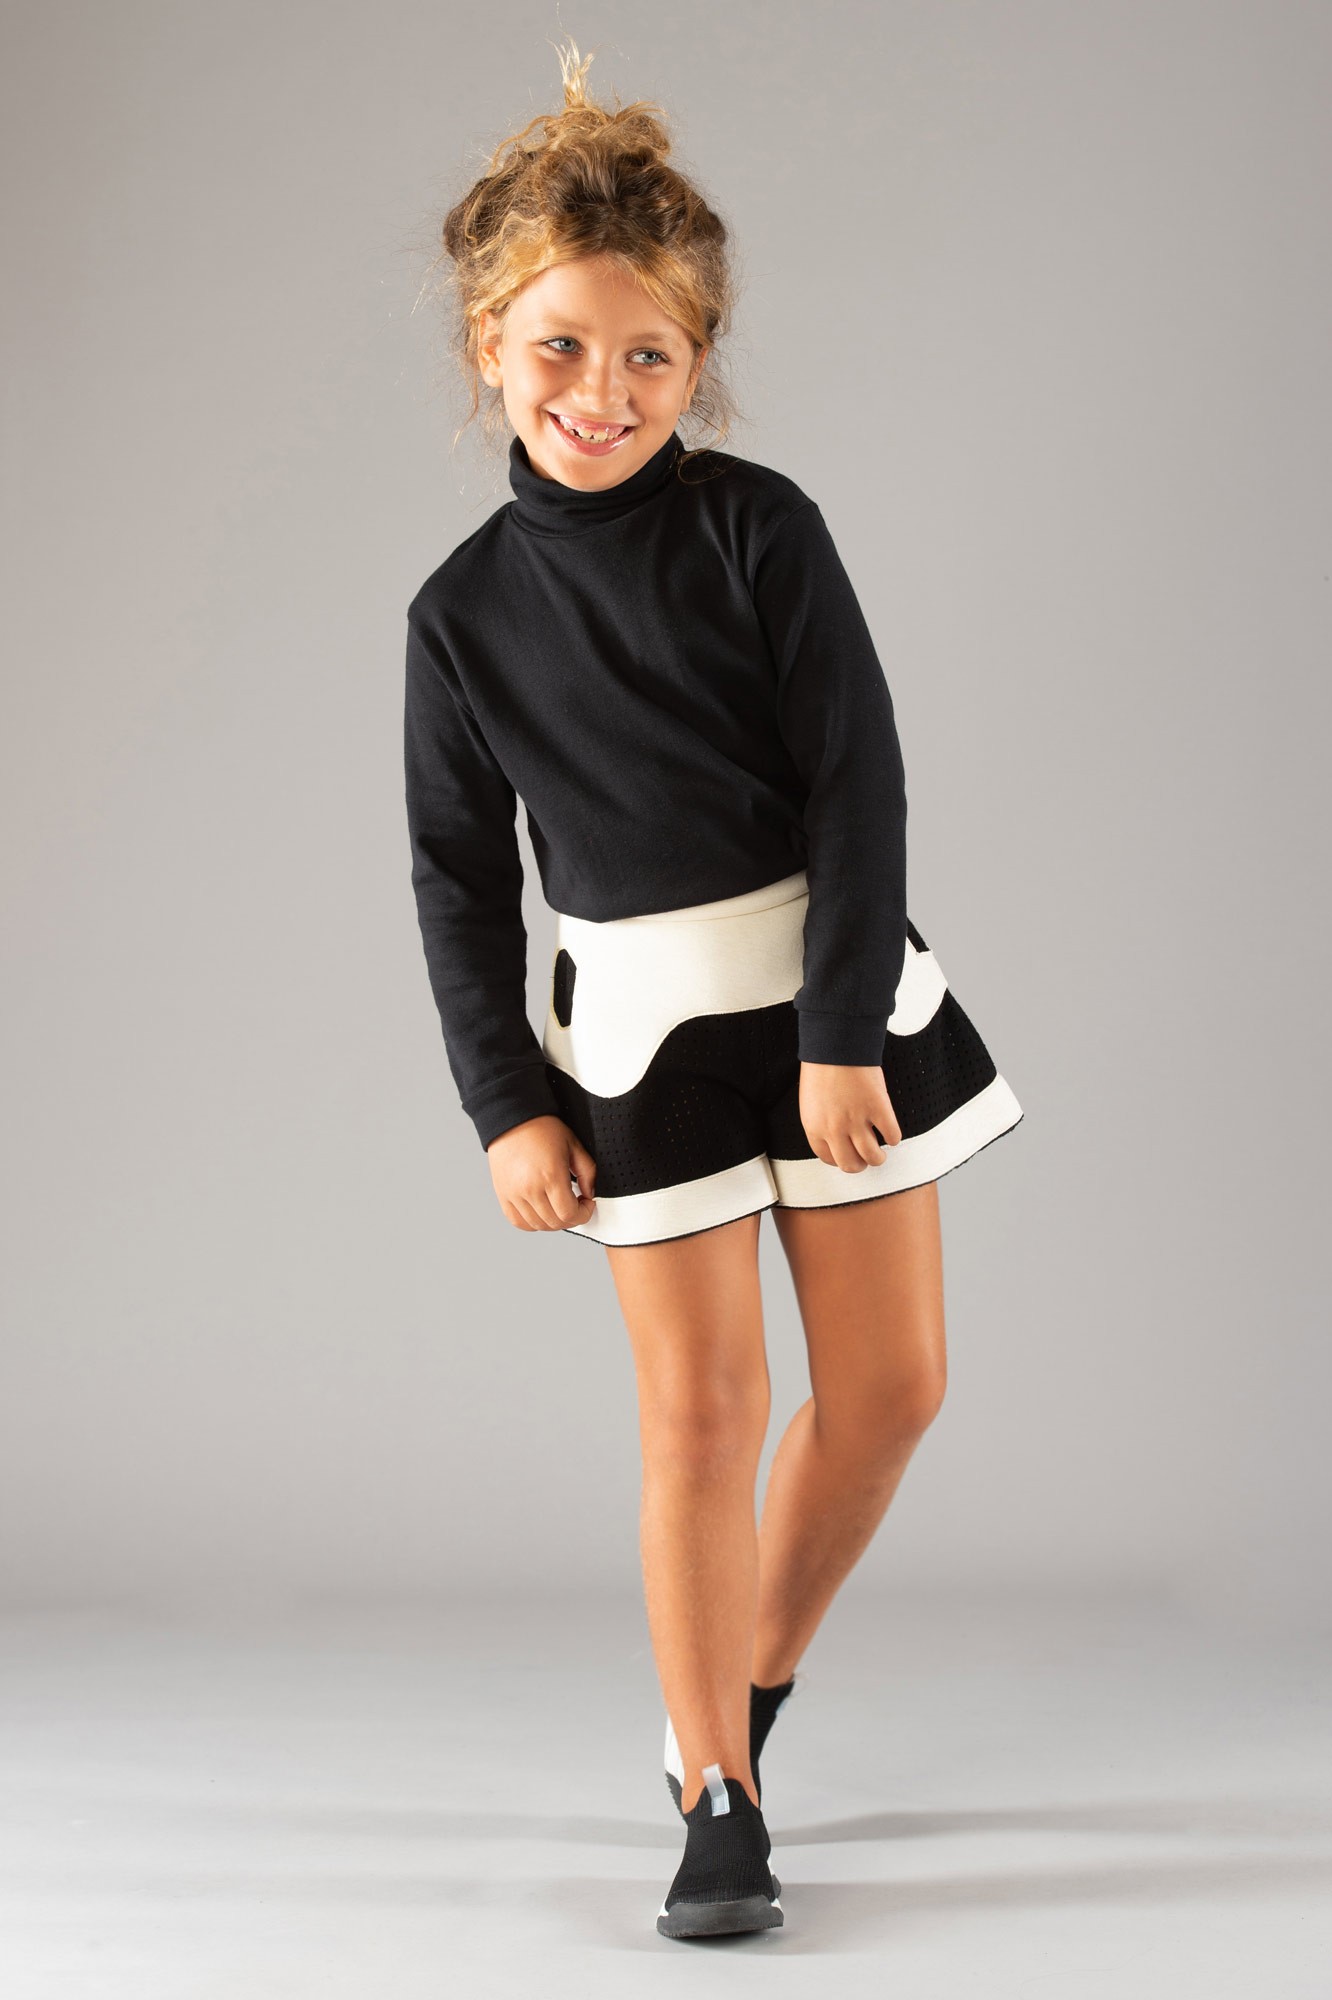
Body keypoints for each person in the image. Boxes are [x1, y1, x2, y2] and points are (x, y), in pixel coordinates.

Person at [403, 38, 1023, 1942]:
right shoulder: (460, 616)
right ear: (494, 346)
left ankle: (738, 1687)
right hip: (642, 1042)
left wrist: (841, 1038)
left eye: (649, 357)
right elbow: (457, 879)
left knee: (892, 1390)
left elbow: (861, 785)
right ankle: (718, 1793)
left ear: (699, 363)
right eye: (561, 349)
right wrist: (507, 1105)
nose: (601, 394)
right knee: (700, 1415)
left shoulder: (764, 529)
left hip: (835, 999)